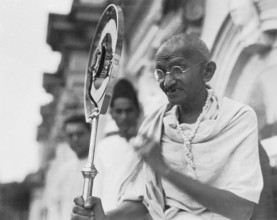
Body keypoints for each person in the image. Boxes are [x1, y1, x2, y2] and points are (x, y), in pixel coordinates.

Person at [71, 34, 263, 220]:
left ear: (207, 71)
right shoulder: (155, 124)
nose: (167, 81)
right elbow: (145, 201)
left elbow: (241, 209)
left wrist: (165, 170)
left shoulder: (237, 118)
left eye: (178, 69)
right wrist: (106, 217)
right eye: (161, 73)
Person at [93, 78, 142, 211]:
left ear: (137, 111)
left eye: (129, 110)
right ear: (112, 113)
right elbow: (96, 189)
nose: (124, 116)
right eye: (119, 111)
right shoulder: (104, 147)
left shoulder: (148, 144)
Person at [44, 114, 90, 220]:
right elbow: (53, 205)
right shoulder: (63, 170)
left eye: (80, 134)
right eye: (70, 135)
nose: (75, 139)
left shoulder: (99, 164)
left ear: (90, 133)